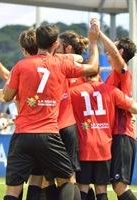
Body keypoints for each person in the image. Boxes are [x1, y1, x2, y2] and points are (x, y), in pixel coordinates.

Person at [2, 21, 99, 200]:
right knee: (68, 178)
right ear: (55, 44)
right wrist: (93, 42)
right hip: (49, 134)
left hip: (22, 134)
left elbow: (7, 96)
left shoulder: (20, 66)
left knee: (14, 189)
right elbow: (93, 68)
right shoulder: (60, 64)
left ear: (36, 42)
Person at [70, 70, 137, 200]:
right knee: (101, 189)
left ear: (83, 74)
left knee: (83, 187)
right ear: (99, 72)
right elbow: (134, 108)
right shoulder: (111, 90)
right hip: (104, 147)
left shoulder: (73, 92)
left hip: (85, 146)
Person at [39, 30, 91, 200]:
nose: (56, 49)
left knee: (52, 179)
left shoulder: (62, 67)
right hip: (71, 129)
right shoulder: (67, 67)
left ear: (68, 49)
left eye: (58, 46)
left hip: (61, 128)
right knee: (69, 178)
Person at [95, 20, 137, 200]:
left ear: (120, 52)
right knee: (113, 184)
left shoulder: (123, 72)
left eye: (112, 48)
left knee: (120, 186)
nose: (107, 51)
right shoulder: (110, 76)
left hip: (122, 134)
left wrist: (99, 34)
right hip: (113, 134)